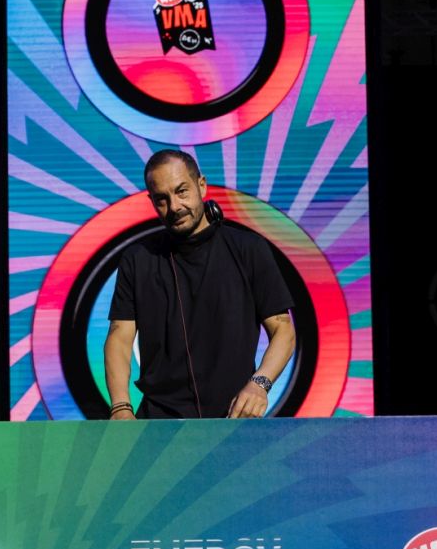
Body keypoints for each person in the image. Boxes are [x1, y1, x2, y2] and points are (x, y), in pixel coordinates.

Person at [104, 149, 296, 420]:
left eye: (181, 191)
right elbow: (120, 336)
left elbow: (283, 330)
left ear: (201, 185)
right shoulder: (138, 259)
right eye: (161, 199)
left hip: (233, 418)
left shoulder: (248, 248)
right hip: (159, 423)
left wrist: (259, 385)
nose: (174, 207)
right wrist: (121, 406)